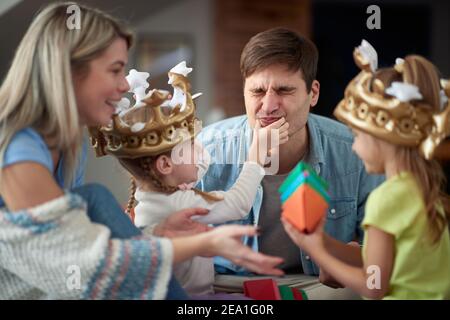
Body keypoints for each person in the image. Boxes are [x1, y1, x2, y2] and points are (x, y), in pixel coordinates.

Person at [0, 2, 284, 300]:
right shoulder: (18, 153)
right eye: (115, 70)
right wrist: (205, 244)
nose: (124, 85)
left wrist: (157, 235)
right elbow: (86, 265)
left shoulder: (70, 145)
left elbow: (77, 246)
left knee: (95, 196)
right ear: (69, 70)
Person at [197, 27, 384, 285]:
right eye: (258, 92)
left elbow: (380, 254)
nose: (269, 106)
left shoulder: (355, 150)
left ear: (313, 93)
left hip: (317, 282)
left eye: (284, 90)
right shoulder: (206, 149)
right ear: (244, 92)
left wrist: (353, 255)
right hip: (226, 280)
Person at [92, 65, 289, 295]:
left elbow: (198, 163)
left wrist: (190, 142)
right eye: (192, 146)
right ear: (165, 165)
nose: (201, 150)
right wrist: (256, 155)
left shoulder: (159, 190)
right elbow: (239, 203)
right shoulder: (180, 202)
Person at [282, 40, 450, 299]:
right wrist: (323, 243)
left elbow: (373, 285)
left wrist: (313, 249)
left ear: (382, 137)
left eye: (358, 136)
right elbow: (386, 259)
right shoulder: (422, 189)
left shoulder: (386, 198)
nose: (354, 147)